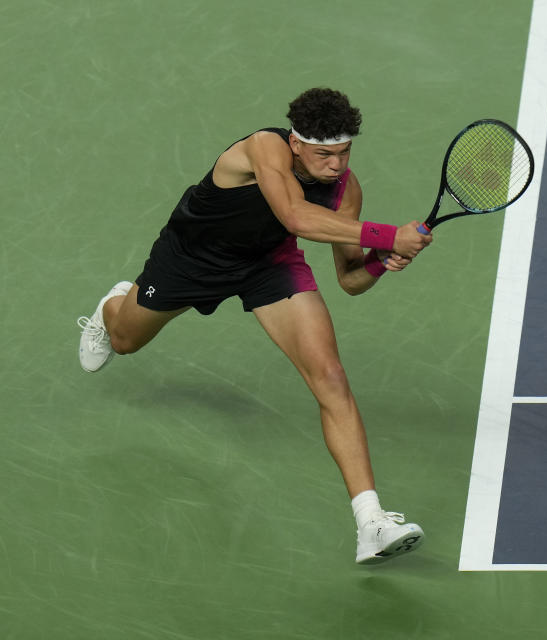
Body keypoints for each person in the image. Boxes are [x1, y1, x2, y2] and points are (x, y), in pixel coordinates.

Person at [76, 87, 433, 564]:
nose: (335, 165)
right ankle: (110, 309)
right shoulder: (264, 146)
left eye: (345, 152)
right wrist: (389, 234)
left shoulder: (346, 188)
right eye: (324, 154)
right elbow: (293, 214)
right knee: (125, 340)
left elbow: (349, 279)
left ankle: (371, 522)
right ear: (296, 144)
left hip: (268, 265)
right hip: (191, 260)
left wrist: (380, 260)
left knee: (330, 378)